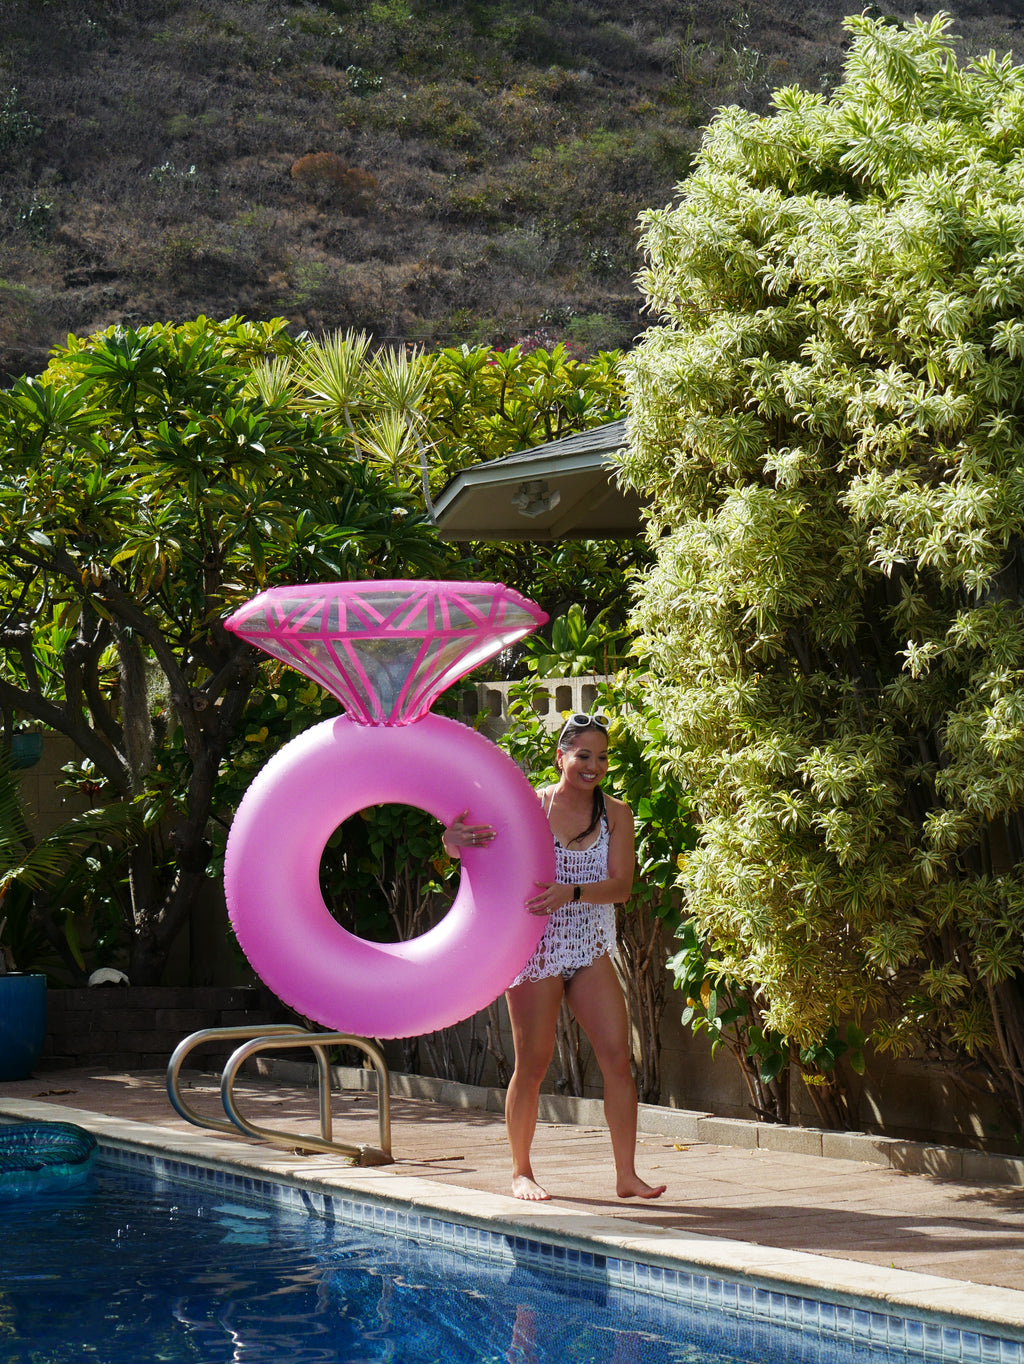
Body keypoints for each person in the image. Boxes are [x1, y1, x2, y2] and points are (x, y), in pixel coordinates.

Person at [444, 713, 666, 1203]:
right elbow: (480, 850)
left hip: (588, 948)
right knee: (534, 1063)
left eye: (603, 757)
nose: (594, 765)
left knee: (617, 1061)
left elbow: (622, 887)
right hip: (533, 950)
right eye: (584, 755)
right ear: (561, 756)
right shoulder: (528, 806)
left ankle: (626, 1176)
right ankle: (521, 1171)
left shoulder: (617, 814)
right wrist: (451, 844)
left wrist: (573, 892)